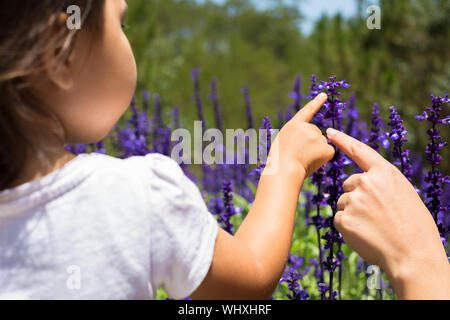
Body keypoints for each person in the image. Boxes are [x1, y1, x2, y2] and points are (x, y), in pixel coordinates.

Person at [0, 0, 447, 300]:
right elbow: (249, 278)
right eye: (120, 22)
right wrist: (284, 166)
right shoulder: (136, 197)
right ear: (60, 57)